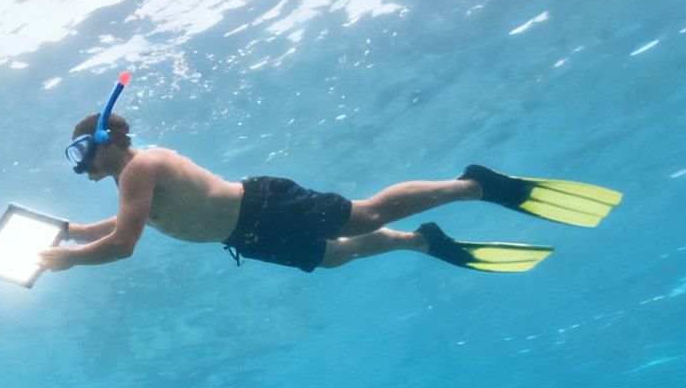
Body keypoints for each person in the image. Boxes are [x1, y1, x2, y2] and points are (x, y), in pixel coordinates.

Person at [38, 77, 620, 276]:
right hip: (244, 236)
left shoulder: (142, 165)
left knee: (364, 215)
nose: (79, 166)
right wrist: (68, 229)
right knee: (335, 257)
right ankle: (424, 241)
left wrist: (68, 259)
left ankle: (476, 184)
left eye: (78, 153)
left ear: (105, 139)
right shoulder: (128, 184)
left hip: (260, 208)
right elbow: (117, 225)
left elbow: (124, 244)